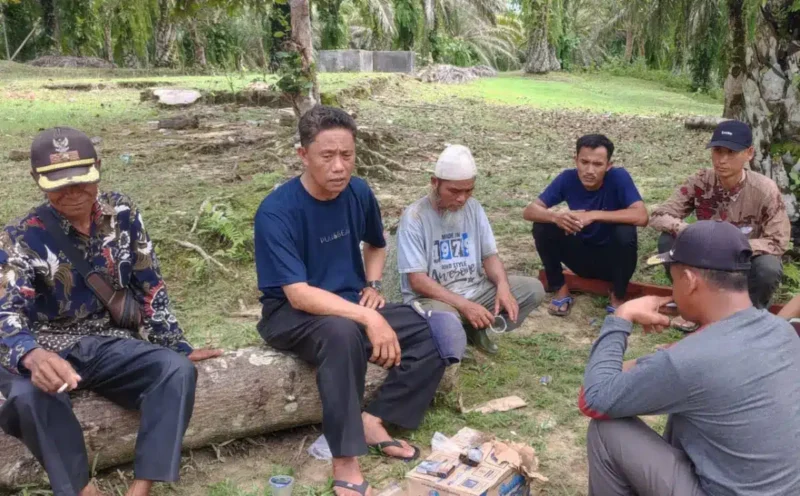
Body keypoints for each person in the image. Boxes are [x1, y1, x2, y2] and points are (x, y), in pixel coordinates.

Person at [0, 127, 222, 496]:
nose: (72, 192)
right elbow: (6, 312)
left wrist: (175, 344)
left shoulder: (123, 213)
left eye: (81, 180)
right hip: (43, 346)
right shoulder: (20, 237)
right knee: (27, 398)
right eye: (57, 184)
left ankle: (142, 487)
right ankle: (84, 490)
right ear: (36, 180)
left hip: (103, 342)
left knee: (175, 371)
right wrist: (32, 355)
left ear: (99, 168)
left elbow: (148, 282)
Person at [254, 106, 454, 496]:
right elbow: (298, 293)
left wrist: (374, 285)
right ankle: (344, 457)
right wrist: (367, 317)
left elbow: (377, 245)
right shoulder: (277, 211)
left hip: (350, 305)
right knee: (343, 334)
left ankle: (377, 417)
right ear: (303, 155)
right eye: (327, 156)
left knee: (431, 330)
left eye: (347, 155)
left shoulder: (358, 192)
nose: (339, 167)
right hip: (290, 313)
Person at [580, 220, 800, 496]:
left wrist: (621, 317)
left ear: (689, 281)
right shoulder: (783, 331)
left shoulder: (689, 360)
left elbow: (593, 399)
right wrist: (665, 358)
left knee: (605, 432)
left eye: (673, 280)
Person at [396, 145, 545, 355]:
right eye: (454, 191)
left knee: (532, 290)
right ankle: (463, 330)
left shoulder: (473, 208)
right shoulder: (415, 217)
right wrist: (464, 306)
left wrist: (502, 286)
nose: (462, 199)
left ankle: (475, 328)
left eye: (468, 191)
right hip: (434, 300)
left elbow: (489, 256)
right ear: (435, 183)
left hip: (475, 290)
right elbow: (417, 281)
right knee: (445, 319)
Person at [650, 120, 790, 331]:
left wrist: (736, 246)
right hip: (705, 256)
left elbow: (778, 242)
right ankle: (693, 308)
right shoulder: (700, 180)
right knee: (668, 241)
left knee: (768, 267)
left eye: (731, 153)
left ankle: (750, 320)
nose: (722, 160)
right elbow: (659, 215)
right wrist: (689, 231)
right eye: (717, 151)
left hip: (743, 258)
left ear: (749, 153)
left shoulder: (764, 190)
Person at [523, 134, 648, 316]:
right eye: (584, 162)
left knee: (625, 231)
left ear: (609, 165)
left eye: (598, 164)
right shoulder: (567, 178)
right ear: (576, 160)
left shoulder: (619, 177)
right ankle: (560, 288)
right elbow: (529, 211)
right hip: (580, 257)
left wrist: (593, 215)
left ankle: (618, 296)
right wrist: (556, 217)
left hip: (613, 262)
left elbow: (642, 216)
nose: (589, 170)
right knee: (542, 225)